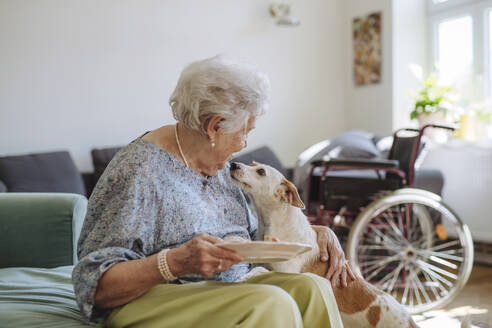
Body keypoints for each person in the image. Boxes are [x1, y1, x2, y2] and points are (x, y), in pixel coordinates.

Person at [72, 55, 354, 328]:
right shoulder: (140, 171)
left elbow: (254, 241)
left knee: (313, 288)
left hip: (232, 286)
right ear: (213, 126)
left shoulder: (222, 170)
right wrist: (176, 261)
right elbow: (95, 286)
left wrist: (315, 232)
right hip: (153, 296)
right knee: (272, 302)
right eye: (245, 131)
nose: (245, 144)